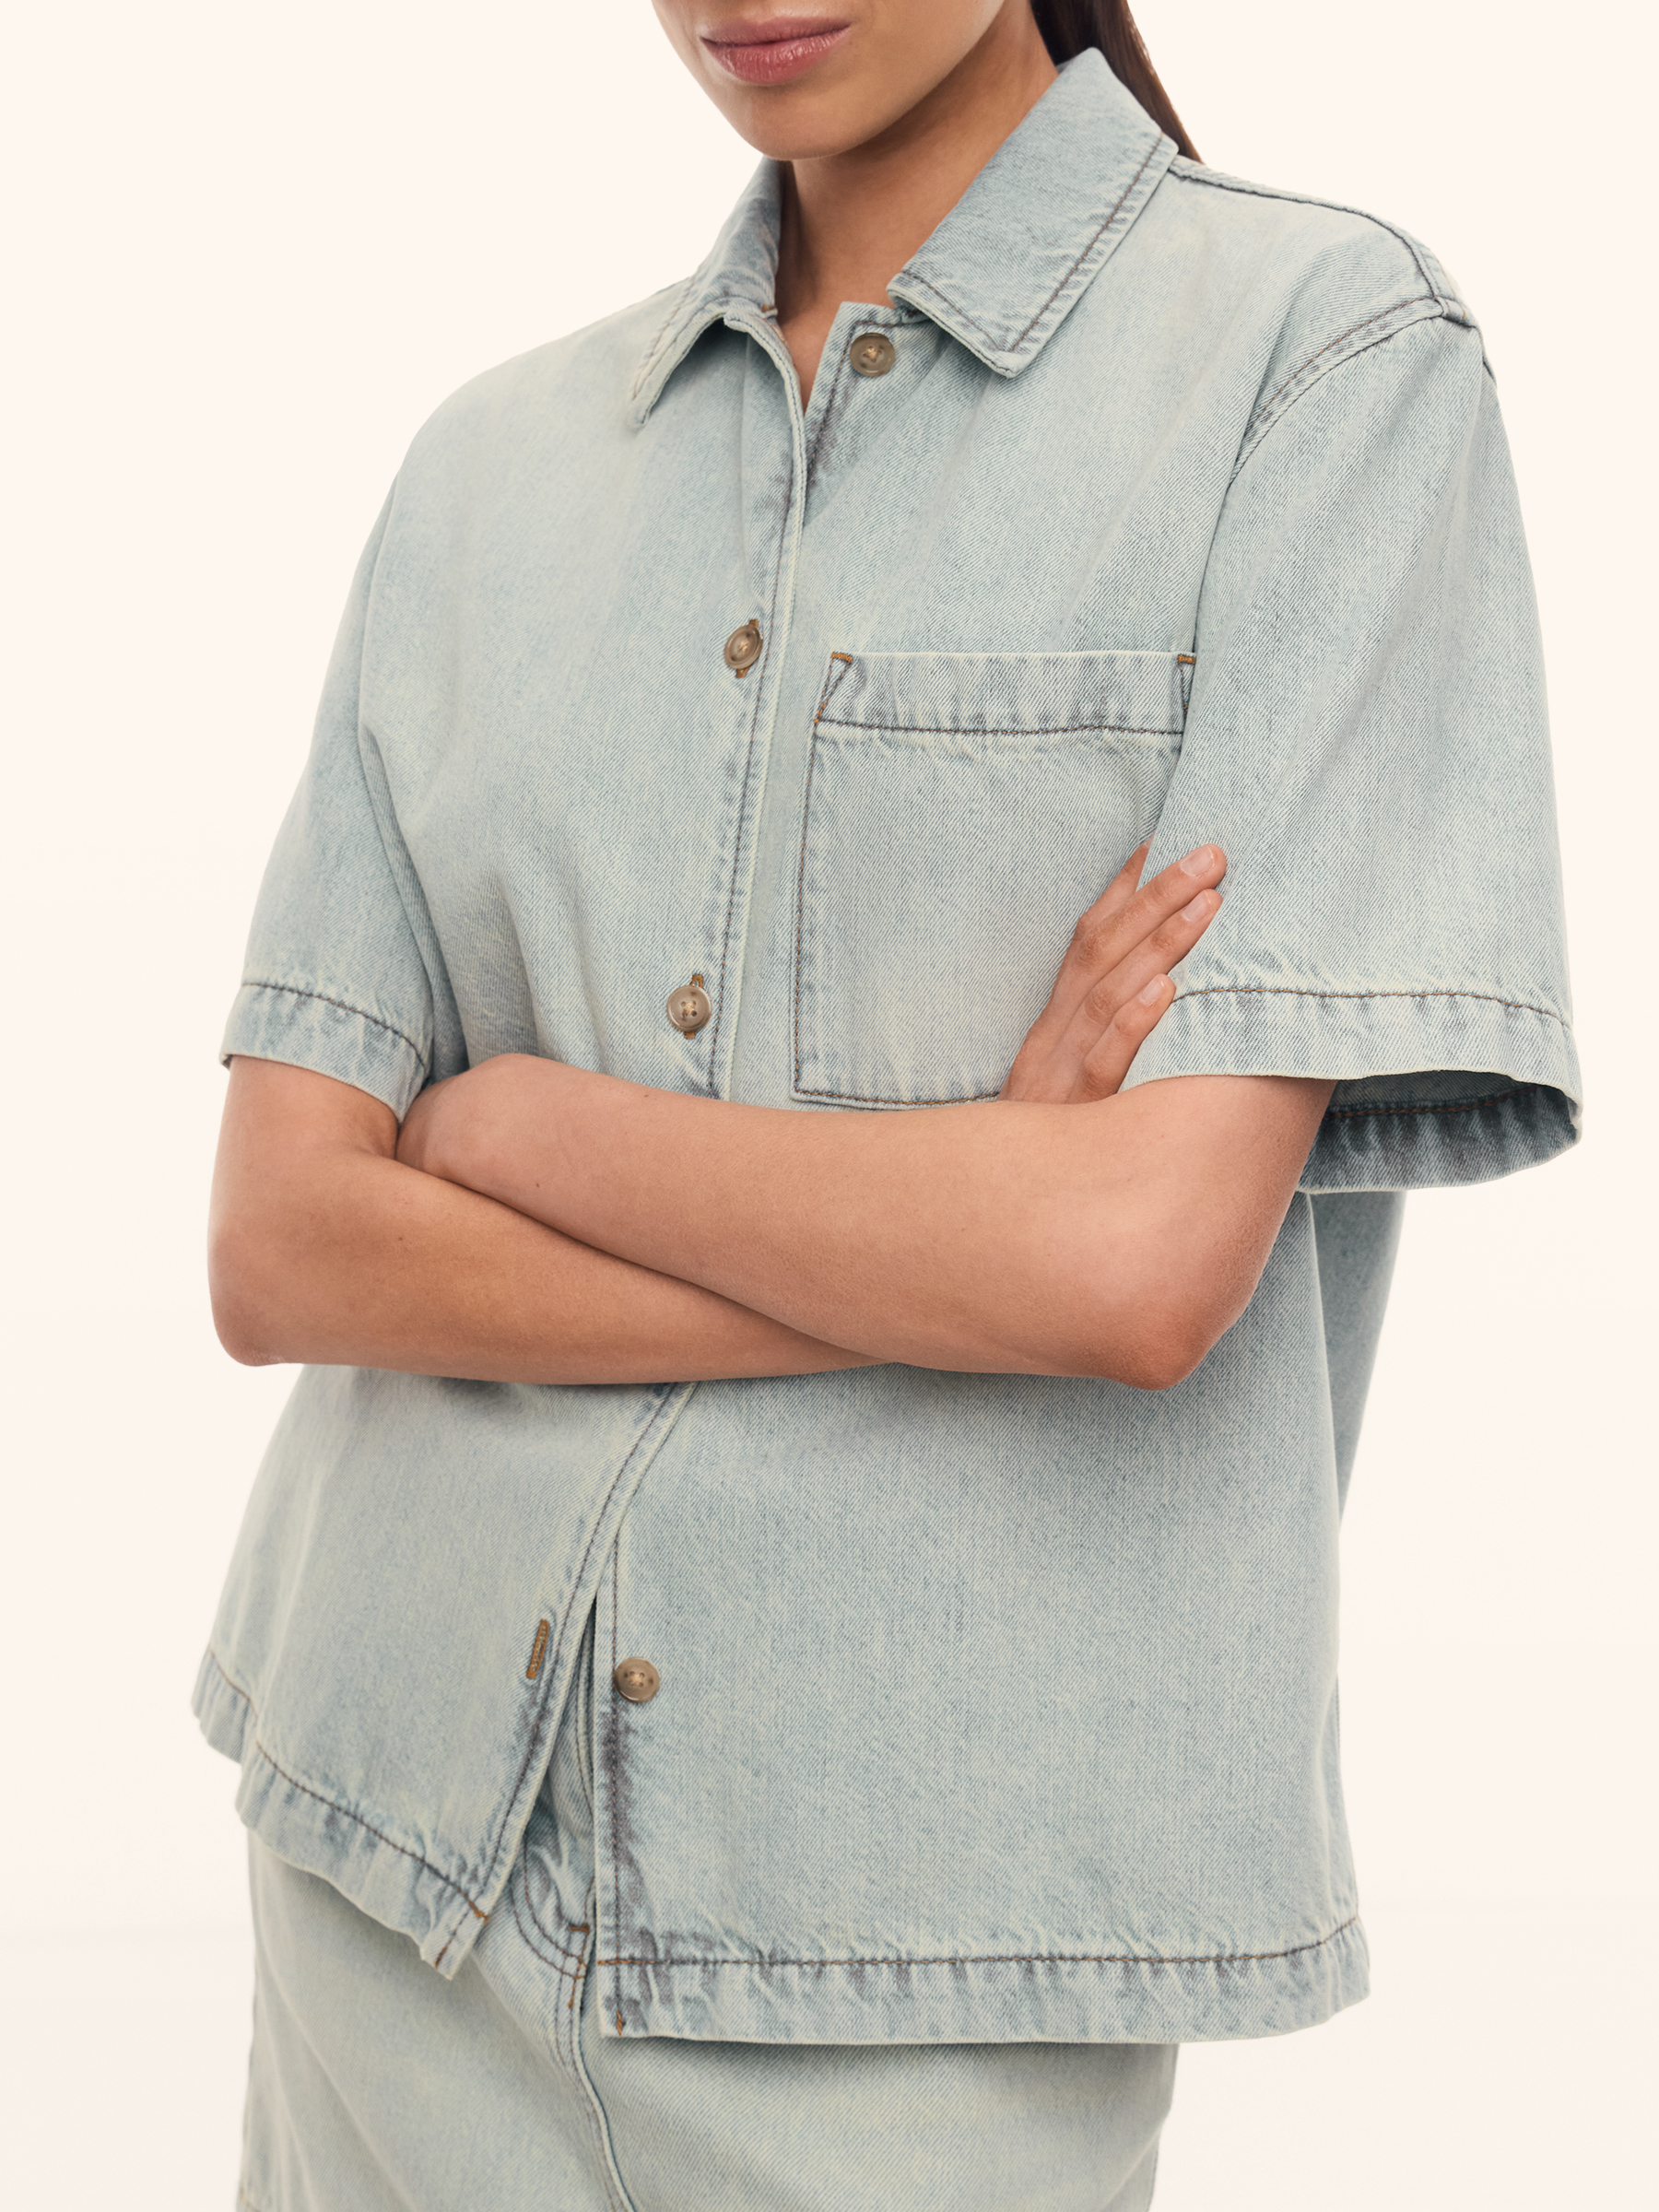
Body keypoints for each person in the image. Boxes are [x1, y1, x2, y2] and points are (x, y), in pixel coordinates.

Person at [201, 4, 1579, 2206]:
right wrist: (957, 1220)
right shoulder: (489, 468)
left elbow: (1131, 1275)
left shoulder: (1321, 366)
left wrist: (536, 1132)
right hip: (390, 1868)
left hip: (924, 1958)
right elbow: (283, 1249)